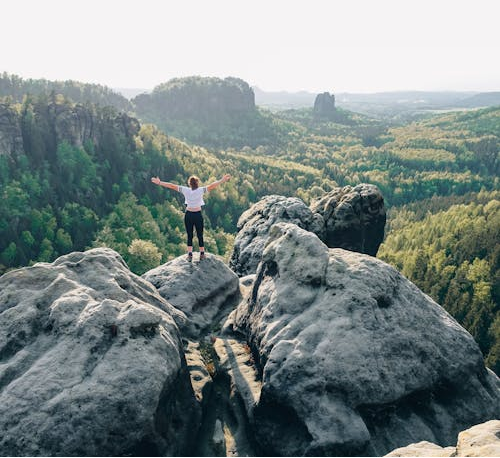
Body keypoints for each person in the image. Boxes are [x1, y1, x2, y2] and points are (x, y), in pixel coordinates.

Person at [151, 174, 231, 261]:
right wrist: (222, 180)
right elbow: (212, 186)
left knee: (190, 235)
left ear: (189, 183)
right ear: (197, 183)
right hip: (197, 214)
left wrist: (159, 182)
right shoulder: (201, 190)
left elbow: (171, 186)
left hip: (188, 214)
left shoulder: (185, 190)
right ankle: (202, 254)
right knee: (200, 235)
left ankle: (190, 255)